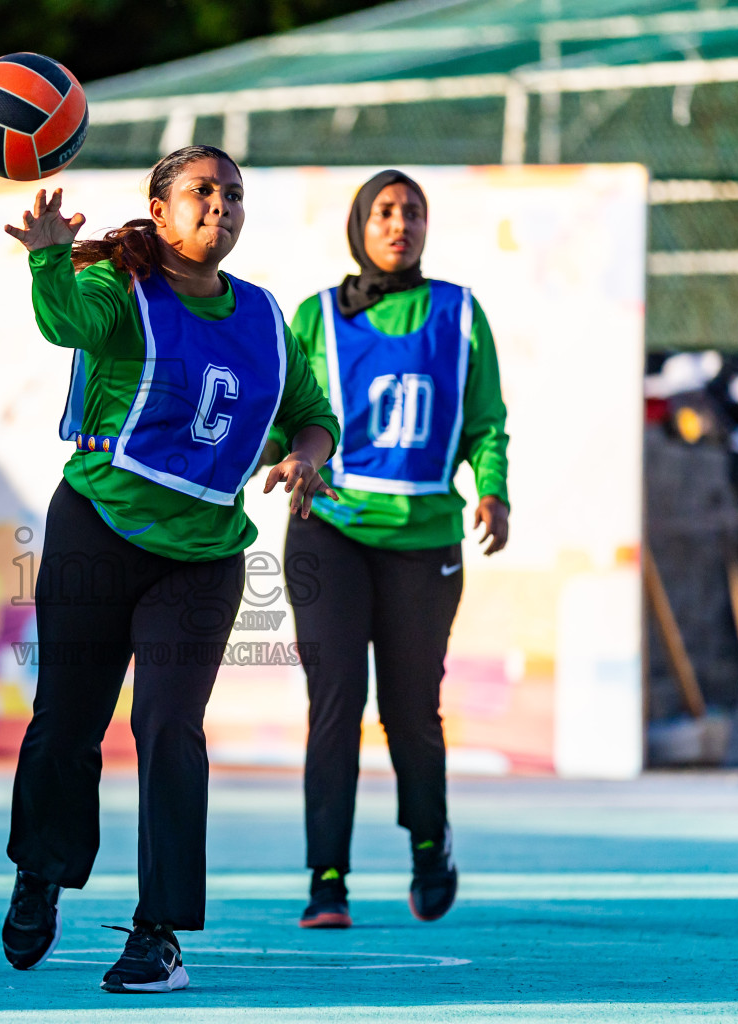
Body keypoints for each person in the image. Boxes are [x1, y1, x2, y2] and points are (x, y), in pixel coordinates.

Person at [0, 146, 339, 993]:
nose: (218, 204)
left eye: (232, 194)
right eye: (200, 191)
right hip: (98, 528)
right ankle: (41, 872)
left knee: (168, 728)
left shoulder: (265, 318)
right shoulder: (123, 287)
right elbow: (66, 323)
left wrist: (307, 457)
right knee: (68, 723)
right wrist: (48, 254)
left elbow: (314, 415)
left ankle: (159, 934)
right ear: (160, 209)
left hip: (203, 557)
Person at [280, 170, 509, 929]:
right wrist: (284, 458)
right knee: (334, 704)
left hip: (425, 538)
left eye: (412, 211)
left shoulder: (460, 312)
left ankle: (427, 842)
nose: (399, 223)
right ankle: (327, 879)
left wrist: (493, 489)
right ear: (359, 224)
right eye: (384, 211)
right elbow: (290, 413)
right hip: (329, 529)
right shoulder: (314, 315)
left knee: (412, 710)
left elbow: (486, 422)